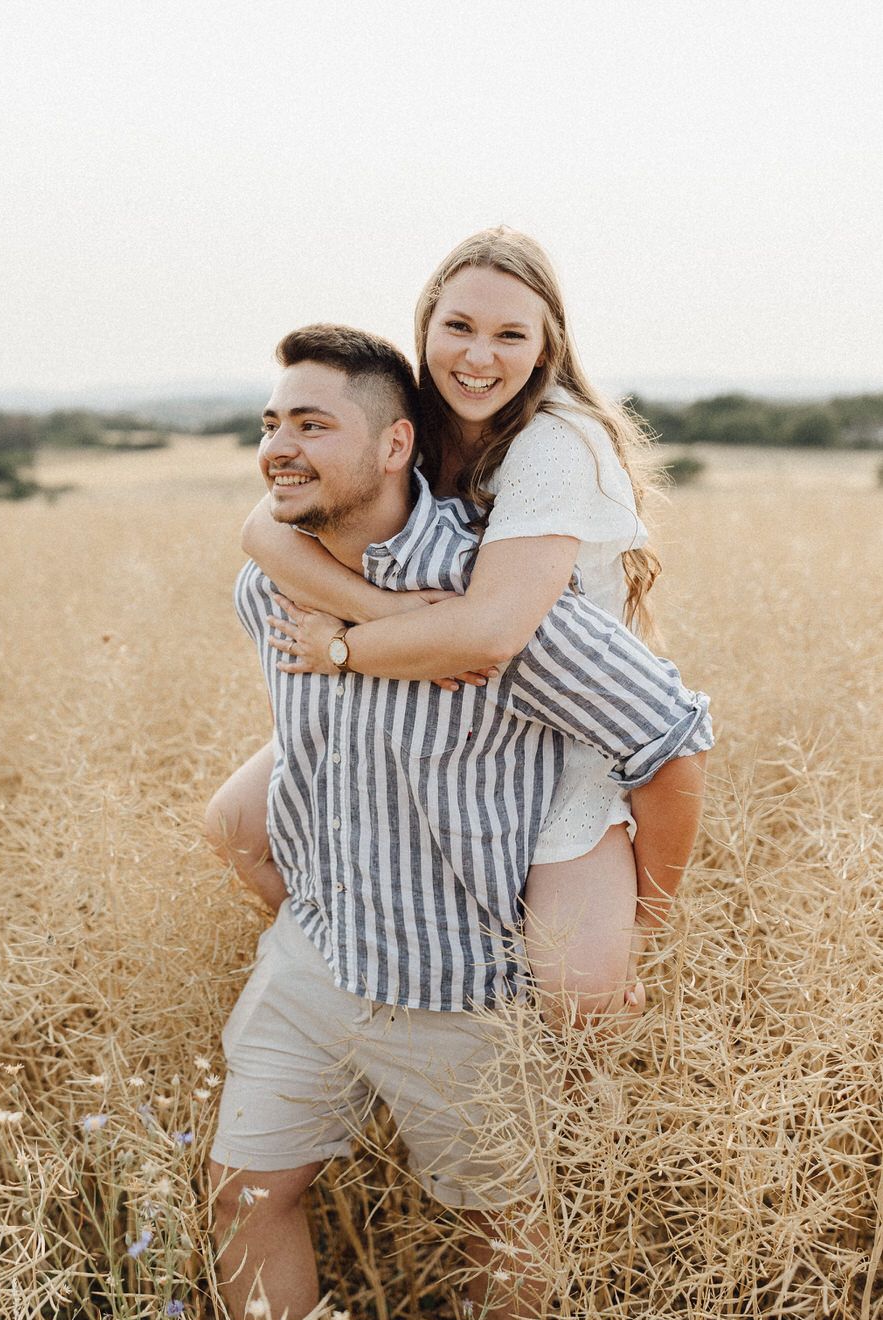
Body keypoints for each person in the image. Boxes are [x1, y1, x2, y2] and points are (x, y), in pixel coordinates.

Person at [204, 323, 712, 1320]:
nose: (278, 445)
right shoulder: (266, 582)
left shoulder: (496, 603)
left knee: (504, 1223)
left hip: (461, 979)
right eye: (272, 421)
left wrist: (648, 916)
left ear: (395, 442)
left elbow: (669, 731)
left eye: (309, 424)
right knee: (245, 1191)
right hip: (318, 955)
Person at [208, 227, 672, 1029]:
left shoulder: (557, 440)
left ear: (545, 348)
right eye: (457, 327)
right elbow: (262, 527)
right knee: (239, 823)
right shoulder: (413, 414)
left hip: (556, 719)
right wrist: (387, 612)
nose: (478, 356)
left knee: (578, 994)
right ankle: (342, 972)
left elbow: (489, 634)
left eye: (508, 335)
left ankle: (577, 1086)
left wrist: (343, 646)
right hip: (433, 683)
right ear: (424, 325)